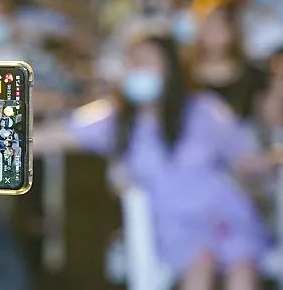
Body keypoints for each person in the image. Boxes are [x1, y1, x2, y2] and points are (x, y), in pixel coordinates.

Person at [36, 35, 269, 290]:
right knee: (200, 265)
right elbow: (54, 137)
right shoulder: (113, 119)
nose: (138, 69)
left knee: (242, 269)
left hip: (223, 213)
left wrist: (278, 159)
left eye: (147, 62)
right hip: (170, 223)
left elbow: (247, 159)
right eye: (133, 63)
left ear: (170, 69)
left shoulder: (203, 110)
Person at [189, 0, 269, 121]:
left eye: (220, 25)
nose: (213, 32)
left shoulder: (253, 74)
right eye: (209, 25)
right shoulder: (185, 74)